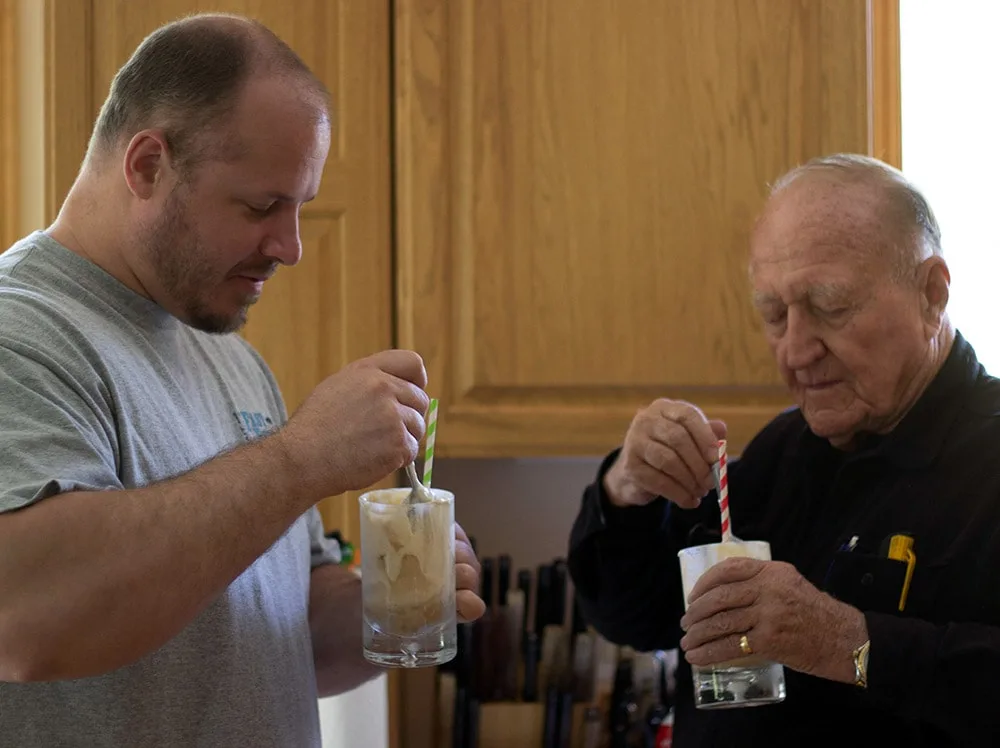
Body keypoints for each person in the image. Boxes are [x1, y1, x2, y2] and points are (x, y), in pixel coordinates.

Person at [0, 13, 483, 747]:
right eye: (263, 206)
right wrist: (301, 459)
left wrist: (396, 601)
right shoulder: (23, 333)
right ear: (147, 166)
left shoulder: (232, 354)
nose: (290, 247)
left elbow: (288, 638)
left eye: (300, 207)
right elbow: (28, 615)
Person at [568, 153, 1000, 746]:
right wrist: (627, 491)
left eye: (830, 306)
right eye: (774, 314)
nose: (795, 351)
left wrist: (848, 642)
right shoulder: (783, 450)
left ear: (931, 294)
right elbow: (632, 616)